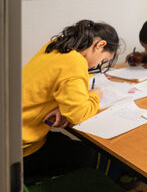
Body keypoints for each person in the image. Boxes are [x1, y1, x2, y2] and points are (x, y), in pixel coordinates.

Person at [22, 20, 119, 180]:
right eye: (102, 60)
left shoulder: (56, 46)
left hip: (13, 133)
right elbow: (78, 115)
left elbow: (57, 83)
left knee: (67, 143)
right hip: (19, 151)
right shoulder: (75, 63)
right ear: (100, 45)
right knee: (94, 155)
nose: (97, 65)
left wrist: (63, 107)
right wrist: (95, 94)